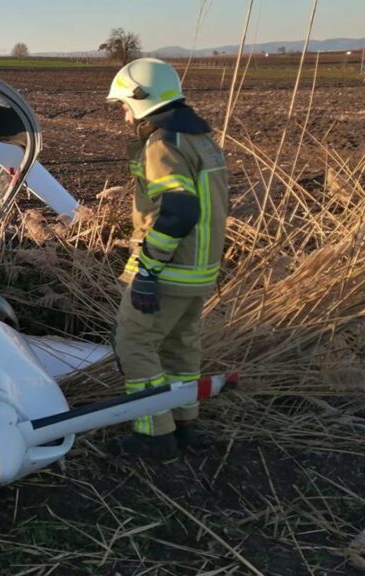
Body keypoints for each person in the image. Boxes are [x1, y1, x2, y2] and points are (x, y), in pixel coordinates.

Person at [104, 59, 230, 459]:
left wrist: (148, 270)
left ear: (142, 100)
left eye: (125, 105)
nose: (125, 115)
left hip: (170, 271)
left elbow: (178, 211)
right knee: (180, 348)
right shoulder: (201, 140)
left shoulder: (163, 143)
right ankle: (184, 422)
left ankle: (154, 435)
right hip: (200, 271)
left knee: (134, 343)